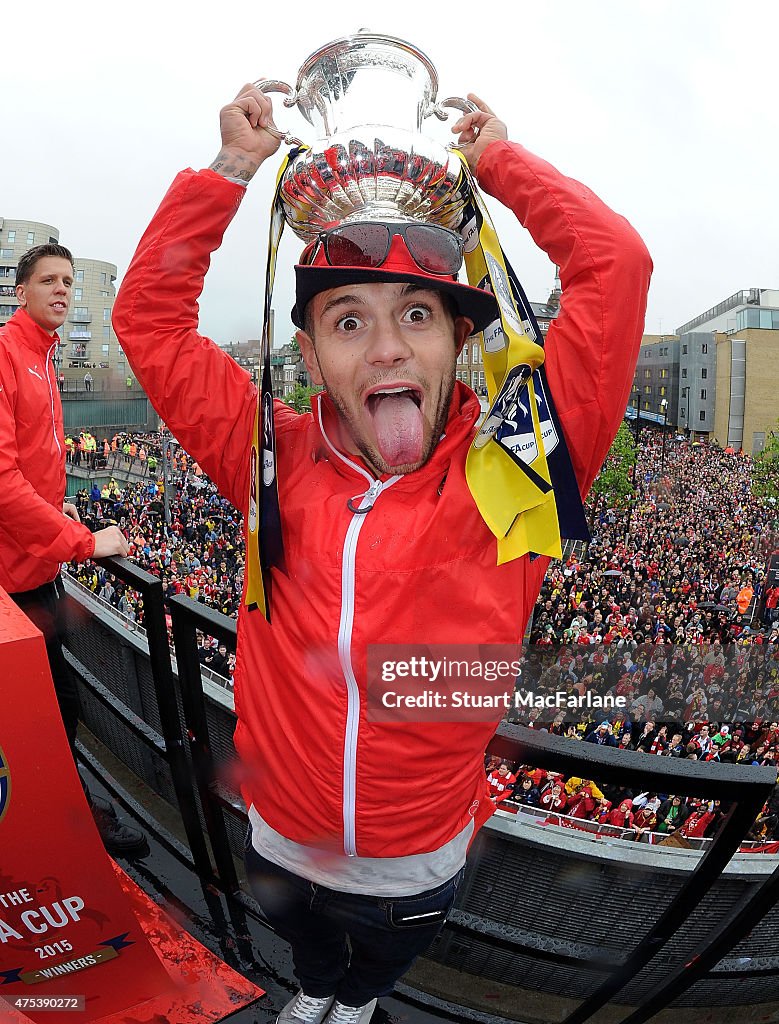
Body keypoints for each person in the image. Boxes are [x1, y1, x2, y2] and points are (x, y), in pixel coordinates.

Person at [112, 84, 651, 1024]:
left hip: (419, 850)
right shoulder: (264, 457)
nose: (385, 351)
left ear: (458, 340)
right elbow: (150, 322)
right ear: (312, 357)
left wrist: (499, 165)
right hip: (277, 829)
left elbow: (615, 264)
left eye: (417, 315)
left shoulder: (522, 466)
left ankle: (354, 1003)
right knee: (308, 951)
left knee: (381, 962)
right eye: (348, 321)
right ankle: (319, 991)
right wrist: (229, 172)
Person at [0, 243, 148, 860]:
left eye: (68, 281)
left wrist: (56, 504)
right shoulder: (7, 355)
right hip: (16, 579)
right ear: (21, 292)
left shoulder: (40, 354)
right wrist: (84, 541)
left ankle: (55, 812)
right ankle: (65, 827)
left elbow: (28, 460)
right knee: (53, 709)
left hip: (33, 564)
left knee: (51, 707)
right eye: (50, 281)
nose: (62, 290)